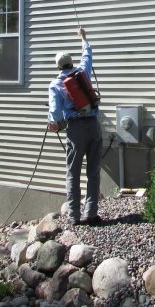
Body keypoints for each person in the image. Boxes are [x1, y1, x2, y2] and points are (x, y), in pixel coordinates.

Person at [48, 27, 103, 226]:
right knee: (93, 171)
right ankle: (92, 214)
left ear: (58, 67)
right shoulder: (82, 72)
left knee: (73, 173)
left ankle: (74, 216)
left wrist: (54, 123)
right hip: (94, 126)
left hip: (76, 130)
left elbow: (55, 113)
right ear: (71, 62)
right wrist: (83, 37)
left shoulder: (55, 84)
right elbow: (87, 55)